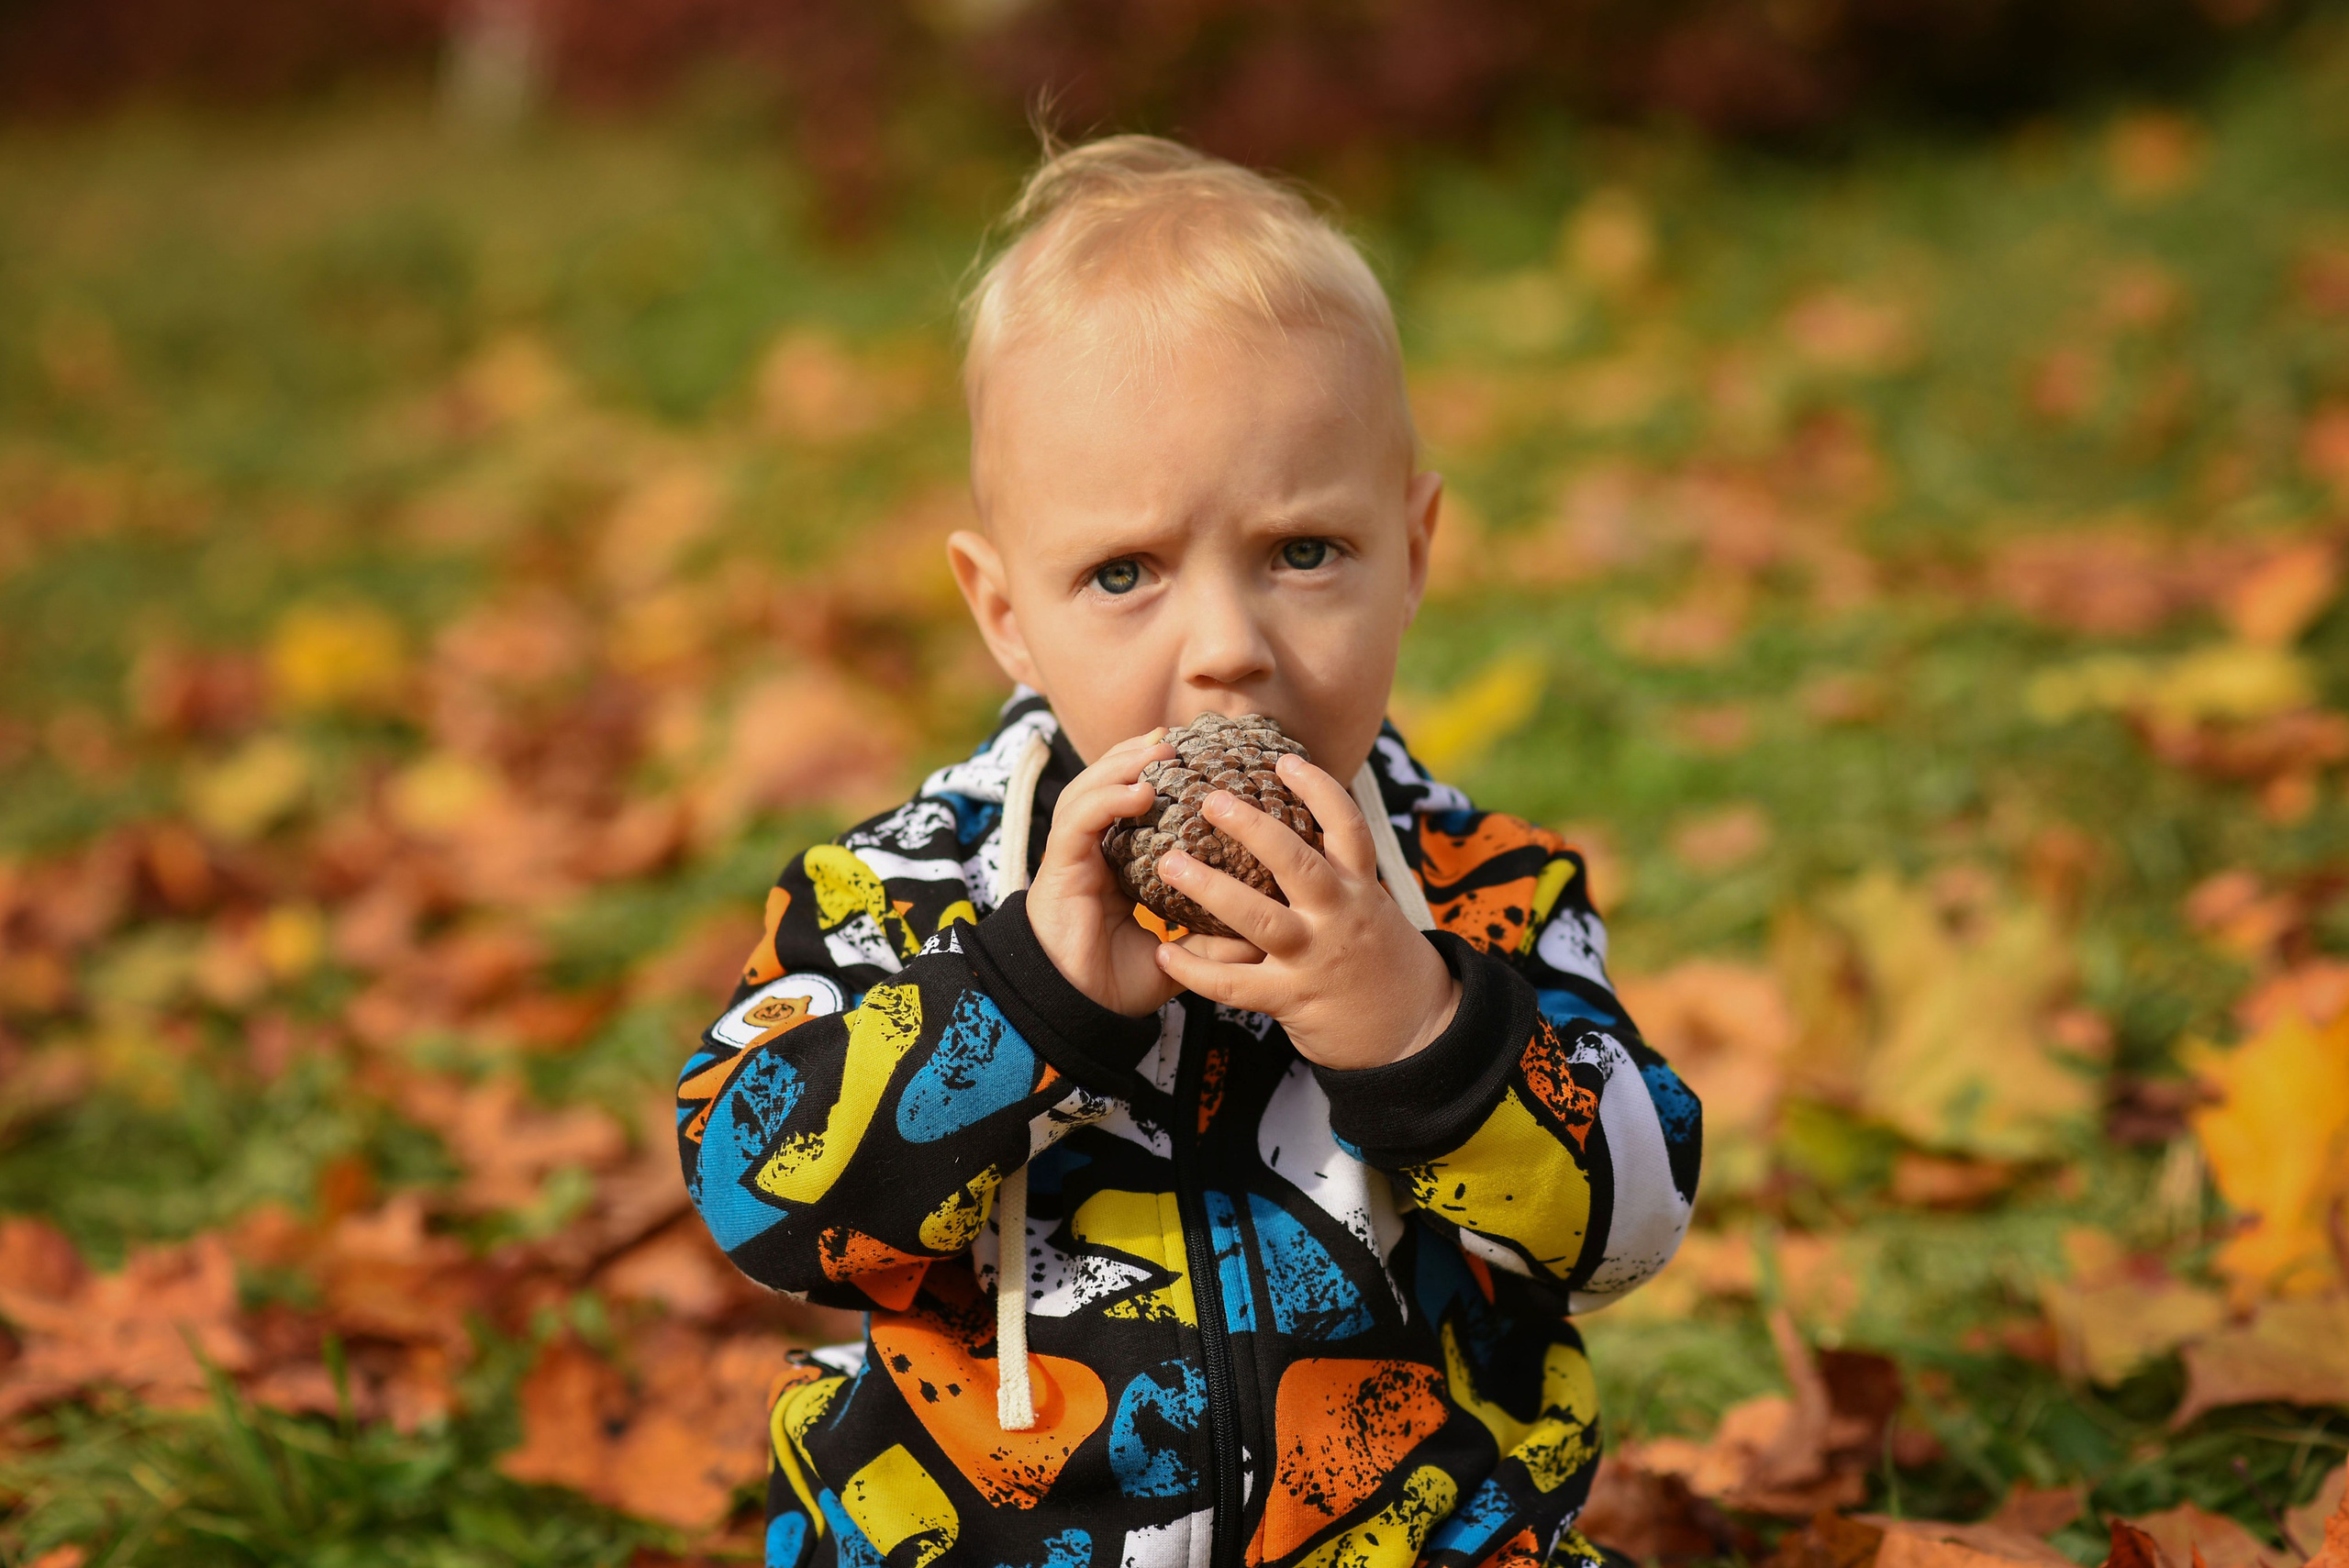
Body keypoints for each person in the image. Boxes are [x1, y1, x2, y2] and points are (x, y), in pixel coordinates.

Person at [676, 135, 1702, 1568]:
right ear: (1005, 610)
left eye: (1304, 553)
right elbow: (751, 1193)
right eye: (1123, 573)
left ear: (1413, 550)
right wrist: (1023, 1000)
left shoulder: (1486, 886)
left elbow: (1637, 1222)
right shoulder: (904, 890)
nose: (1227, 649)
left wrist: (1422, 1026)